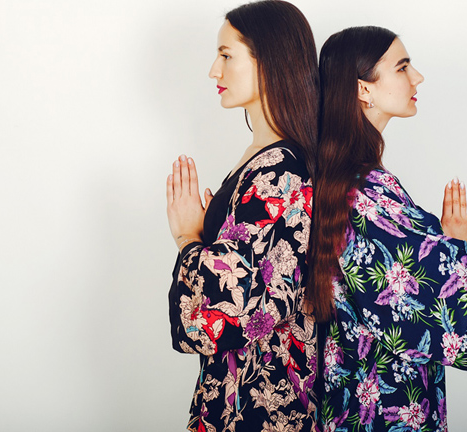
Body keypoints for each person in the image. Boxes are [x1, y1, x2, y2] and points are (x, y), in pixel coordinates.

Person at [306, 26, 467, 432]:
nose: (417, 78)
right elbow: (431, 309)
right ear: (364, 90)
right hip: (383, 405)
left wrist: (445, 247)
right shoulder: (363, 192)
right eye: (403, 67)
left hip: (358, 398)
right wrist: (457, 247)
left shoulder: (348, 178)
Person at [165, 1, 320, 430]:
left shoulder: (279, 169)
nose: (213, 71)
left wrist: (188, 238)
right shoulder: (268, 157)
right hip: (251, 385)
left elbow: (232, 307)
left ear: (268, 61)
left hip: (261, 396)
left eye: (226, 55)